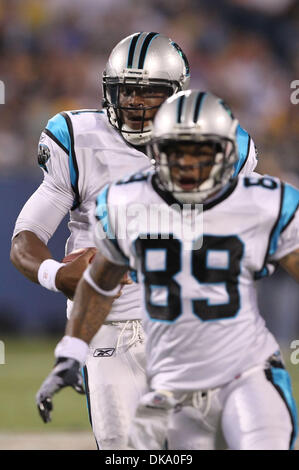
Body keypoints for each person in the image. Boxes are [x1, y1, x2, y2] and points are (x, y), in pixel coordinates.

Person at [36, 90, 299, 450]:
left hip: (244, 366)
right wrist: (71, 352)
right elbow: (99, 286)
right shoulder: (126, 201)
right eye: (176, 151)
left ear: (227, 152)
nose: (188, 163)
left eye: (201, 151)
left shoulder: (268, 201)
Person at [10, 32, 191, 450]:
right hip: (107, 327)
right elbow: (26, 238)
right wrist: (57, 274)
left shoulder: (215, 144)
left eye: (150, 92)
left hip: (189, 326)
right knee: (124, 449)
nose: (135, 102)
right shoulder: (79, 139)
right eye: (127, 90)